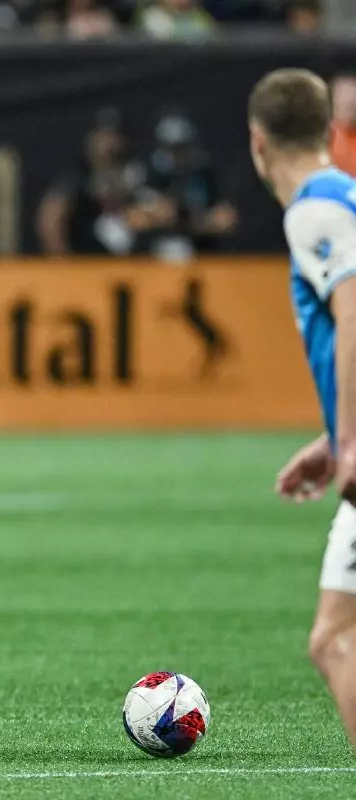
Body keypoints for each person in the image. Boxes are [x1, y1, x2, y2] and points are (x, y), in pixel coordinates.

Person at [250, 67, 356, 750]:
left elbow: (354, 311)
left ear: (257, 142)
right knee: (334, 639)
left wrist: (349, 438)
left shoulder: (315, 210)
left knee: (336, 640)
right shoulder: (344, 197)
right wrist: (331, 437)